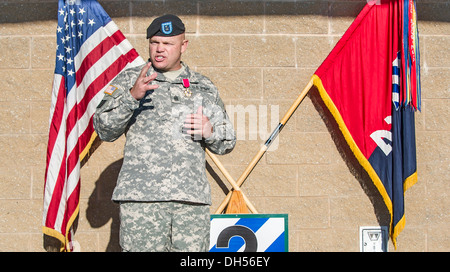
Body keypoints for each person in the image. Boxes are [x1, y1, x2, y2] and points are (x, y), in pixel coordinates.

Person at [93, 14, 236, 252]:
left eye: (168, 44)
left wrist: (210, 132)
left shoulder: (203, 87)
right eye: (154, 42)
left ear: (183, 46)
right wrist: (131, 96)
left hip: (189, 202)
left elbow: (227, 142)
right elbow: (104, 129)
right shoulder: (131, 79)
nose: (159, 50)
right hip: (142, 202)